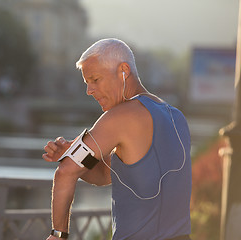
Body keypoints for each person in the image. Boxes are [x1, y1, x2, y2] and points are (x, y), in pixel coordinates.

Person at [42, 38, 192, 240]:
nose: (89, 91)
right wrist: (69, 157)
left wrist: (58, 235)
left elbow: (66, 171)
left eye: (95, 80)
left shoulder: (121, 116)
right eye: (87, 83)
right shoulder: (176, 117)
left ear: (124, 70)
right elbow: (107, 175)